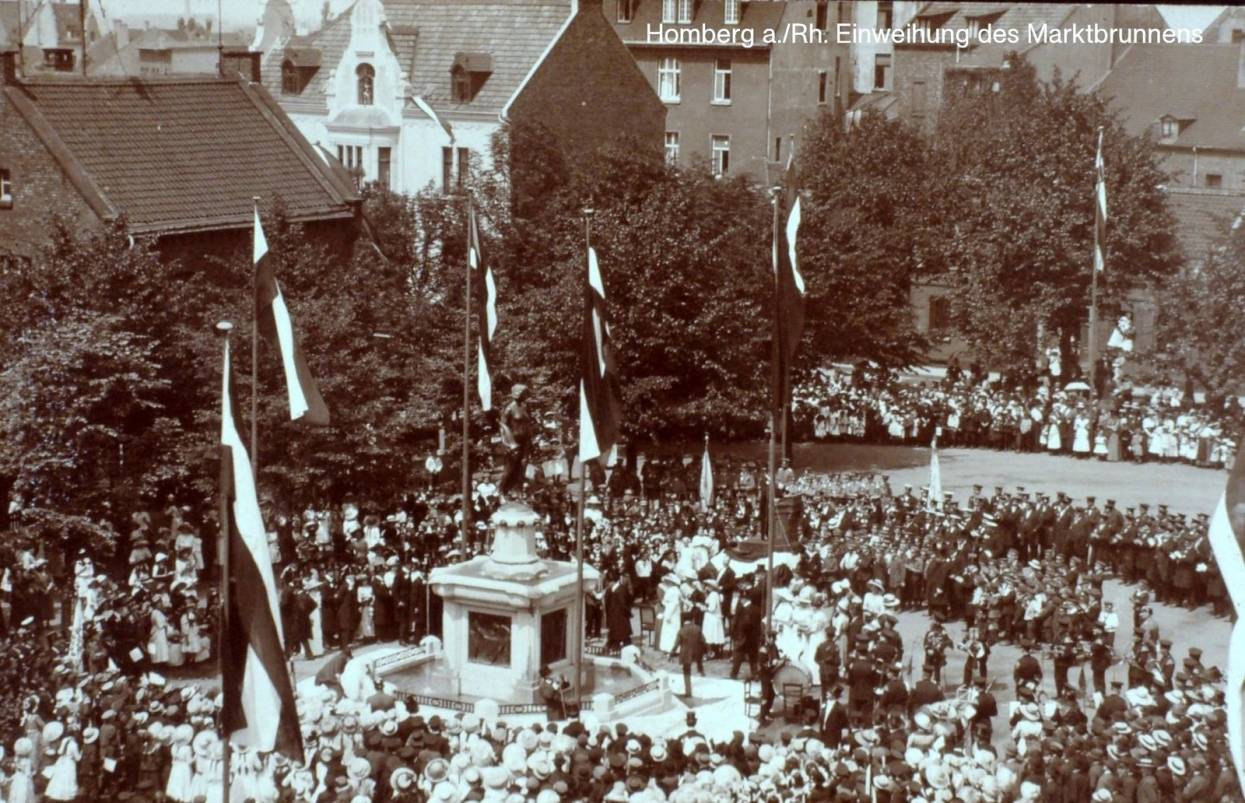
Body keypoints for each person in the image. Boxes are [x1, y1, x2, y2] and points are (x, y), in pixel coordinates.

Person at [499, 384, 535, 496]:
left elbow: (529, 424)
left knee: (523, 465)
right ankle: (501, 490)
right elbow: (503, 426)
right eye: (524, 393)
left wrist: (531, 440)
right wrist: (506, 443)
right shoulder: (509, 408)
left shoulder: (525, 407)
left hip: (526, 442)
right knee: (510, 467)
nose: (525, 395)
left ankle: (518, 490)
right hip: (514, 442)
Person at [672, 617, 706, 698]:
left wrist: (671, 654)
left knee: (686, 671)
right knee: (699, 659)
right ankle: (701, 670)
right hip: (697, 652)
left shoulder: (681, 630)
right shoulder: (697, 628)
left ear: (683, 622)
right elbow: (704, 641)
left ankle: (688, 692)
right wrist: (709, 650)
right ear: (692, 620)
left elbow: (676, 645)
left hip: (686, 653)